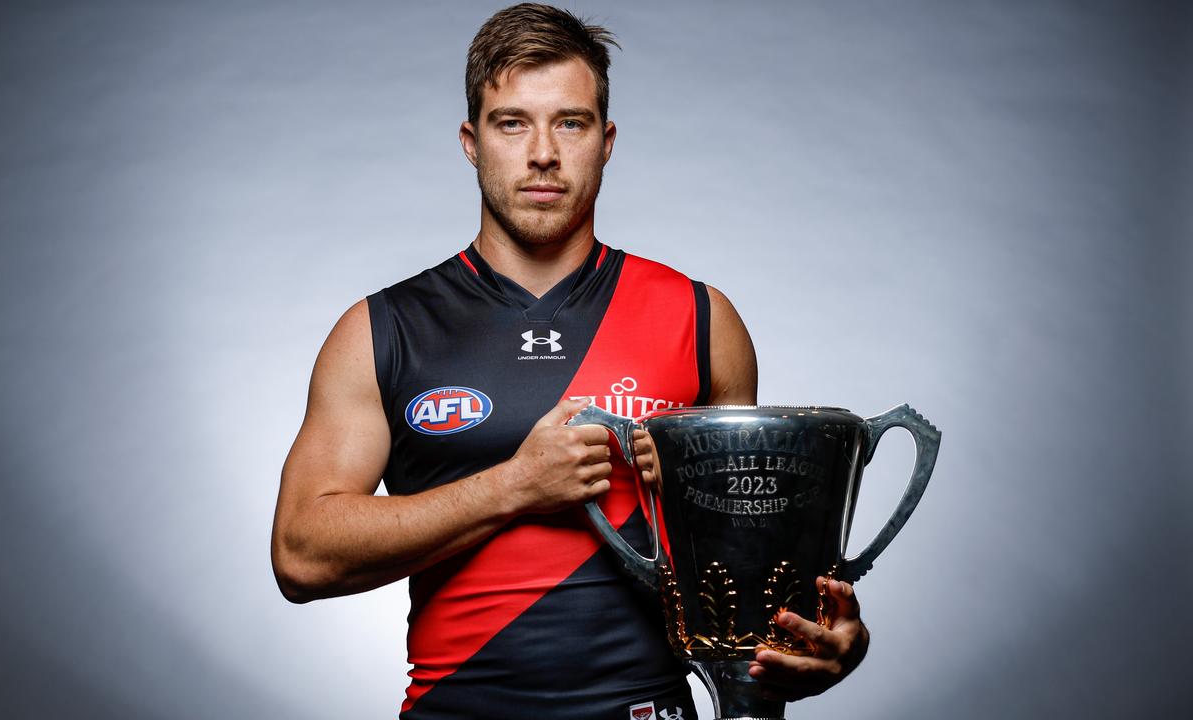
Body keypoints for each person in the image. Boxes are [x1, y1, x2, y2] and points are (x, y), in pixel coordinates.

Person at [271, 4, 868, 718]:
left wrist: (827, 643)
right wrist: (514, 486)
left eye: (571, 122)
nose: (544, 153)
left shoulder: (701, 318)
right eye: (512, 122)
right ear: (472, 141)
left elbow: (747, 564)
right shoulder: (382, 330)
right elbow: (302, 555)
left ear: (606, 141)